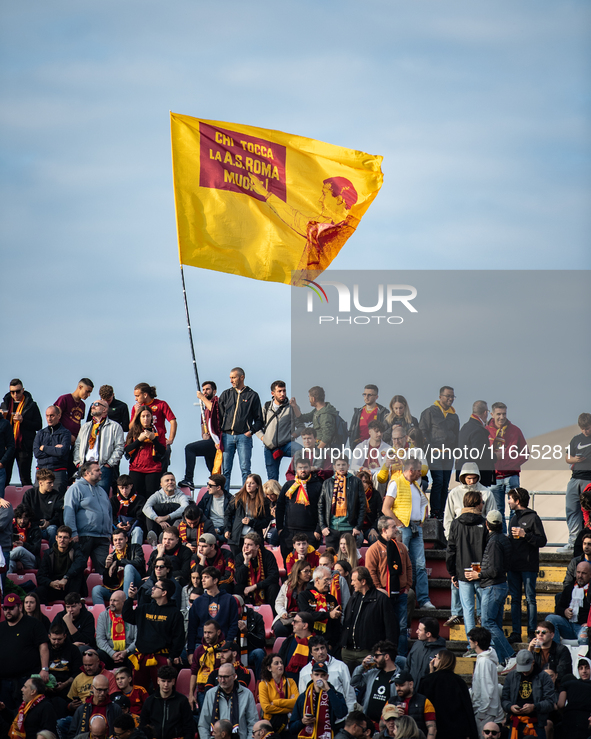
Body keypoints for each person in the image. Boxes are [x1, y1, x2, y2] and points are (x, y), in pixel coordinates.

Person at [442, 462, 495, 629]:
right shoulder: (454, 494)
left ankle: (479, 616)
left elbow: (492, 516)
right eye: (468, 478)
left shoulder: (487, 493)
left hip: (480, 542)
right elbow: (448, 518)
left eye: (474, 478)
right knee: (458, 579)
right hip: (460, 540)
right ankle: (456, 612)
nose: (471, 481)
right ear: (462, 477)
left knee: (477, 584)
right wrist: (451, 537)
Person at [382, 458, 435, 610]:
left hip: (415, 528)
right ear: (411, 470)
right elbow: (385, 508)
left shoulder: (416, 485)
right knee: (403, 563)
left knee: (419, 565)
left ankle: (424, 600)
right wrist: (399, 525)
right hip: (404, 528)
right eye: (419, 470)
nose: (421, 473)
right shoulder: (395, 482)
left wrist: (421, 521)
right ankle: (403, 595)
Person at [466, 509, 516, 668]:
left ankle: (510, 656)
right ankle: (502, 661)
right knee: (496, 624)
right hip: (500, 586)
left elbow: (494, 570)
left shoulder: (494, 542)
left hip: (493, 587)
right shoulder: (503, 539)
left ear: (487, 524)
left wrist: (477, 575)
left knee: (488, 623)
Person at [445, 489, 487, 655]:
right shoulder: (484, 522)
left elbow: (451, 549)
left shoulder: (456, 523)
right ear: (476, 503)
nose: (483, 504)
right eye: (482, 502)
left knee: (468, 610)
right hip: (481, 572)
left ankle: (471, 646)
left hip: (462, 571)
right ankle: (485, 645)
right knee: (484, 611)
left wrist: (452, 572)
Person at [124, 578, 185, 690]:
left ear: (164, 592)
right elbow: (128, 616)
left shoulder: (175, 613)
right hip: (141, 658)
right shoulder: (145, 608)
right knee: (139, 692)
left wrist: (170, 658)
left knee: (163, 692)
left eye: (156, 587)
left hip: (161, 658)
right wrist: (130, 598)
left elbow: (179, 638)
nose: (152, 588)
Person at [365, 516, 412, 656]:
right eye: (393, 527)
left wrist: (408, 586)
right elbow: (370, 571)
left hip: (401, 593)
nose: (397, 529)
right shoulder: (373, 549)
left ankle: (401, 657)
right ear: (384, 530)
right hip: (383, 595)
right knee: (384, 627)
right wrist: (379, 588)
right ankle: (385, 655)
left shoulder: (401, 547)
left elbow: (409, 567)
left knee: (402, 628)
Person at [506, 487, 547, 643]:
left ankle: (531, 631)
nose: (508, 502)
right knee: (515, 599)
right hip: (513, 566)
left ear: (517, 501)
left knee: (530, 599)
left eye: (510, 499)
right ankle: (516, 632)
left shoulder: (533, 518)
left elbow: (542, 541)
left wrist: (525, 535)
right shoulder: (513, 517)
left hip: (529, 565)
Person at [341, 566, 398, 670]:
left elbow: (391, 628)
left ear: (363, 581)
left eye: (354, 580)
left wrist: (386, 651)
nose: (352, 583)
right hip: (347, 652)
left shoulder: (381, 599)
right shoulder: (353, 598)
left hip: (368, 653)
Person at [0, 593, 49, 711]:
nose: (8, 611)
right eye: (5, 608)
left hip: (26, 679)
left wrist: (44, 669)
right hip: (4, 680)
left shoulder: (34, 624)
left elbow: (43, 647)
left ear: (20, 607)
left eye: (11, 608)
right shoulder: (1, 627)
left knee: (25, 713)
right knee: (5, 713)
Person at [63, 460, 112, 575]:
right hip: (83, 537)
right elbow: (69, 512)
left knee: (104, 572)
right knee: (78, 569)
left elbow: (109, 512)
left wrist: (109, 533)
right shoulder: (75, 488)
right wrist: (73, 533)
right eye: (97, 470)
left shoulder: (102, 491)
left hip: (102, 538)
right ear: (86, 473)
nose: (101, 472)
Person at [486, 402, 529, 533]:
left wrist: (512, 463)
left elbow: (525, 452)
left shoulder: (515, 430)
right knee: (497, 510)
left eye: (504, 413)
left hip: (512, 476)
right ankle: (502, 537)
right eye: (498, 414)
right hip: (495, 477)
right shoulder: (486, 431)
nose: (501, 417)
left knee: (515, 509)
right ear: (492, 414)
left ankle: (513, 536)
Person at [418, 386, 460, 519]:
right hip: (434, 452)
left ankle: (443, 512)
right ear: (440, 396)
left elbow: (457, 436)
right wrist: (428, 447)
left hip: (449, 454)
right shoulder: (430, 412)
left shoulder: (454, 416)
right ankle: (435, 512)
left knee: (446, 483)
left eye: (452, 396)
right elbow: (422, 431)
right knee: (438, 481)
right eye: (448, 396)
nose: (451, 399)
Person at [418, 649, 478, 739]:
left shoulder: (427, 680)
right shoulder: (459, 681)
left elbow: (421, 702)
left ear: (441, 661)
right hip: (456, 730)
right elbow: (467, 708)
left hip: (434, 729)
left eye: (436, 657)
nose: (434, 659)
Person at [218, 367, 263, 486]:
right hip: (227, 436)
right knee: (225, 471)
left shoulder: (252, 395)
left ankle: (246, 498)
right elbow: (219, 416)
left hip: (244, 437)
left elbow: (260, 420)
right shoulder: (226, 394)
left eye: (233, 377)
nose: (231, 380)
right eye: (230, 378)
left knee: (245, 470)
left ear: (241, 377)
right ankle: (225, 499)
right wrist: (218, 434)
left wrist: (250, 432)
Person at [501, 649, 555, 739]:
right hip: (515, 723)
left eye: (526, 668)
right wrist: (510, 707)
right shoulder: (511, 676)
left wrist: (534, 706)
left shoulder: (544, 677)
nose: (524, 672)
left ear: (533, 662)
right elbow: (504, 699)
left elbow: (550, 702)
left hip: (537, 723)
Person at [74, 399, 124, 496]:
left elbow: (119, 447)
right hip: (84, 466)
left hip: (102, 467)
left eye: (96, 404)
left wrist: (109, 464)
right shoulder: (85, 427)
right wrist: (78, 463)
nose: (93, 406)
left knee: (101, 497)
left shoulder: (115, 426)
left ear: (105, 409)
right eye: (92, 404)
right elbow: (77, 445)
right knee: (82, 496)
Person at [277, 458, 324, 563]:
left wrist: (318, 529)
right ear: (296, 470)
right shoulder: (288, 485)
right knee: (288, 564)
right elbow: (279, 508)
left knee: (308, 566)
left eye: (305, 467)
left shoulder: (318, 486)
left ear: (310, 469)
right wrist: (280, 528)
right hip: (289, 533)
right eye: (300, 468)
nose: (303, 470)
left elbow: (322, 509)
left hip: (310, 532)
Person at [187, 565, 239, 655]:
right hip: (201, 645)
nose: (202, 580)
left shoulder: (229, 600)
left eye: (206, 577)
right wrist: (190, 651)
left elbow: (233, 625)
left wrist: (226, 644)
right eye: (202, 577)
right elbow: (192, 628)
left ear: (215, 580)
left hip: (223, 645)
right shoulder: (197, 602)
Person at [198, 662, 258, 739]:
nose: (222, 680)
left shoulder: (247, 694)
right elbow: (203, 724)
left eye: (226, 677)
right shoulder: (210, 694)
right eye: (220, 677)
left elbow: (253, 724)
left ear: (234, 676)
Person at [289, 661, 348, 739]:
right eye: (316, 675)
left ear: (327, 677)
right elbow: (292, 728)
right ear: (311, 676)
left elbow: (341, 713)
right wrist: (302, 722)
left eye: (323, 675)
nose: (320, 678)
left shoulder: (335, 695)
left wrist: (328, 690)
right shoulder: (303, 697)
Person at [180, 380, 222, 489]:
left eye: (207, 389)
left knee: (190, 448)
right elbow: (203, 424)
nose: (205, 392)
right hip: (209, 441)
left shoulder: (217, 402)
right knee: (212, 469)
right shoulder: (203, 408)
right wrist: (203, 434)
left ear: (214, 391)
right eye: (203, 390)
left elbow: (214, 409)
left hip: (217, 441)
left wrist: (202, 398)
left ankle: (189, 479)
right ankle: (216, 485)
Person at [319, 455, 366, 550]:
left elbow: (362, 505)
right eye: (338, 465)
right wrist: (323, 527)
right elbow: (321, 506)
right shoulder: (327, 483)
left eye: (343, 464)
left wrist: (358, 527)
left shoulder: (356, 481)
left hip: (349, 529)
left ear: (348, 466)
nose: (341, 467)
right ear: (334, 467)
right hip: (331, 530)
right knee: (331, 561)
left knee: (348, 561)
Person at [299, 635, 356, 712]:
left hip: (339, 716)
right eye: (316, 649)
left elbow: (350, 693)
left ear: (327, 649)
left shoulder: (341, 666)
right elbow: (303, 698)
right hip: (315, 717)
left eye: (322, 648)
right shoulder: (304, 671)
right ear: (311, 653)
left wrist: (349, 714)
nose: (320, 652)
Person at [2, 378, 42, 487]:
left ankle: (29, 503)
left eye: (18, 391)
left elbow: (39, 425)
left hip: (24, 446)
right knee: (4, 477)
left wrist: (23, 420)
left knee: (25, 477)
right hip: (7, 446)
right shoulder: (4, 405)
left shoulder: (31, 405)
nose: (15, 394)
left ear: (23, 390)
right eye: (12, 392)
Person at [130, 383, 177, 475]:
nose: (135, 399)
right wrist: (136, 414)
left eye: (137, 396)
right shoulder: (136, 408)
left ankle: (162, 479)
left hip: (158, 438)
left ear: (145, 395)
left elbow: (173, 421)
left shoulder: (161, 404)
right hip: (141, 440)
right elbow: (130, 428)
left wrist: (171, 438)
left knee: (166, 450)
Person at [466, 626, 504, 735]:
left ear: (476, 642)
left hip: (485, 712)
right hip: (485, 710)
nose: (469, 641)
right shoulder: (485, 659)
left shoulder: (484, 662)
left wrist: (482, 712)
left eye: (471, 639)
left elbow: (487, 689)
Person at [257, 380, 297, 481]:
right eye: (279, 391)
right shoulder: (266, 407)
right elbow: (258, 426)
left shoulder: (291, 407)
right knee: (272, 479)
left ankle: (297, 479)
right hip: (270, 448)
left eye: (284, 391)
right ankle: (275, 496)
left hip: (286, 444)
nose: (282, 394)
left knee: (303, 453)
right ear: (273, 393)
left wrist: (293, 436)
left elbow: (301, 426)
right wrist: (263, 438)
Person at [562, 413, 591, 552]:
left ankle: (588, 542)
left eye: (588, 427)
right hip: (574, 479)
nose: (586, 430)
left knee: (587, 511)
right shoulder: (576, 439)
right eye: (583, 428)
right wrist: (576, 460)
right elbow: (568, 458)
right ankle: (574, 542)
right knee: (572, 510)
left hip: (589, 479)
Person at [139, 664, 194, 739]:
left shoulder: (182, 700)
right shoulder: (150, 701)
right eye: (163, 681)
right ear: (158, 681)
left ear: (174, 681)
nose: (166, 685)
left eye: (169, 681)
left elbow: (189, 727)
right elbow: (143, 725)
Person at [92, 529, 145, 605]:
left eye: (120, 539)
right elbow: (107, 583)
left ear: (126, 539)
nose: (118, 542)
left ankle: (126, 604)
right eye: (115, 540)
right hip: (118, 590)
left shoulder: (135, 548)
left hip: (135, 586)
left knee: (129, 567)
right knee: (96, 590)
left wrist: (118, 562)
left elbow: (139, 563)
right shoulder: (112, 556)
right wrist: (107, 567)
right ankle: (103, 615)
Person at [351, 641, 401, 722]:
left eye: (377, 656)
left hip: (387, 724)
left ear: (387, 656)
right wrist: (362, 667)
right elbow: (354, 682)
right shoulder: (373, 673)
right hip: (368, 722)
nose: (374, 658)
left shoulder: (399, 676)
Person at [35, 525, 87, 603]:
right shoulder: (49, 554)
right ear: (56, 538)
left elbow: (82, 563)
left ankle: (76, 603)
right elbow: (40, 576)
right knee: (39, 592)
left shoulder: (76, 550)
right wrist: (51, 583)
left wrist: (66, 578)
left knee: (77, 575)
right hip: (55, 587)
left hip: (70, 587)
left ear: (70, 540)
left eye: (65, 537)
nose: (62, 540)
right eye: (60, 537)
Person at [124, 405, 167, 499]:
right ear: (139, 418)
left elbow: (163, 451)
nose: (146, 419)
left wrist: (154, 439)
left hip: (153, 469)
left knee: (151, 497)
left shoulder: (159, 431)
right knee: (135, 496)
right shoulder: (133, 430)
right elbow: (127, 450)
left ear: (152, 417)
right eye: (143, 416)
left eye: (148, 416)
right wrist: (139, 440)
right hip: (136, 468)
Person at [54, 379, 94, 477]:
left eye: (90, 392)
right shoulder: (64, 399)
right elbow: (56, 420)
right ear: (80, 387)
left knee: (72, 470)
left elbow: (78, 422)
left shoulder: (83, 405)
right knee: (61, 469)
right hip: (62, 441)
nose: (88, 395)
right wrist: (67, 436)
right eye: (87, 391)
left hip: (75, 443)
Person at [224, 474, 272, 555]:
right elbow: (227, 514)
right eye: (247, 483)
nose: (248, 485)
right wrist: (227, 529)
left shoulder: (264, 501)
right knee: (238, 564)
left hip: (254, 539)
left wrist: (251, 522)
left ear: (257, 486)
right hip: (237, 539)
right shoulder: (237, 498)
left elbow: (266, 521)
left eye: (252, 483)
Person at [298, 565, 342, 652]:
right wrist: (329, 615)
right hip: (308, 642)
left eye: (330, 579)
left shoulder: (332, 599)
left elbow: (336, 626)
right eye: (326, 580)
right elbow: (307, 616)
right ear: (317, 580)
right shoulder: (304, 596)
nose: (329, 583)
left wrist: (331, 645)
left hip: (328, 644)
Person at [546, 560, 590, 644]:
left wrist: (589, 622)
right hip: (568, 625)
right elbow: (558, 608)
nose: (580, 576)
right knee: (550, 619)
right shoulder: (569, 588)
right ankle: (556, 652)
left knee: (584, 637)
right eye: (578, 572)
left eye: (584, 573)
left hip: (584, 627)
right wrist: (564, 611)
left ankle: (582, 657)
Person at [234, 531, 280, 609]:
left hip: (264, 585)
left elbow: (274, 577)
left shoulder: (268, 555)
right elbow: (239, 579)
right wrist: (246, 562)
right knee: (238, 588)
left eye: (249, 544)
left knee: (273, 587)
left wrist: (255, 586)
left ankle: (272, 614)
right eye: (245, 544)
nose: (246, 547)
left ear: (257, 546)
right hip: (247, 586)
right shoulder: (240, 557)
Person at [69, 674, 122, 739]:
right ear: (92, 688)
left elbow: (121, 732)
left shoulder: (115, 709)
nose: (102, 693)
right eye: (99, 690)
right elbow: (72, 733)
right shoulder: (81, 709)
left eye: (105, 690)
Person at [455, 400, 495, 486]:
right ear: (485, 412)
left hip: (465, 473)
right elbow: (479, 454)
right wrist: (496, 456)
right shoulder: (478, 430)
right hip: (476, 476)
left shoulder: (465, 427)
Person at [32, 406, 71, 494]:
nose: (49, 418)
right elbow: (37, 453)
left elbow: (62, 452)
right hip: (41, 471)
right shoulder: (41, 433)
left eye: (52, 416)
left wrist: (45, 448)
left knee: (58, 501)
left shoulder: (66, 433)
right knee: (38, 500)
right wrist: (54, 450)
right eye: (47, 415)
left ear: (59, 416)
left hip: (58, 472)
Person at [23, 469, 64, 549]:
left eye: (53, 482)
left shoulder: (57, 496)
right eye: (49, 483)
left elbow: (58, 515)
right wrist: (36, 524)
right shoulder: (29, 494)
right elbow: (24, 512)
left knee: (52, 530)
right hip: (33, 526)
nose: (52, 485)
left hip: (50, 526)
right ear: (40, 483)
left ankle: (53, 555)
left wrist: (49, 522)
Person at [46, 620, 83, 709]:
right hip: (47, 686)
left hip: (68, 686)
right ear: (49, 636)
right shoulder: (45, 649)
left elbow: (77, 672)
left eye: (59, 639)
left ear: (65, 636)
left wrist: (65, 684)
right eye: (54, 639)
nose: (56, 642)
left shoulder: (73, 650)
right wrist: (48, 687)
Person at [95, 590, 137, 669]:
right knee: (99, 654)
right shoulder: (103, 616)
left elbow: (137, 639)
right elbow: (100, 639)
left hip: (128, 652)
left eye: (115, 601)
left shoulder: (133, 615)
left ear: (124, 602)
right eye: (111, 600)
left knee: (136, 655)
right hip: (109, 652)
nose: (111, 603)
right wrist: (112, 653)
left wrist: (126, 651)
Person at [291, 386, 340, 453]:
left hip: (324, 451)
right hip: (318, 448)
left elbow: (327, 436)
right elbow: (303, 418)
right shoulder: (317, 411)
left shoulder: (325, 415)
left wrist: (316, 452)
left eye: (309, 397)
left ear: (313, 399)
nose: (309, 400)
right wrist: (294, 407)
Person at [258, 653, 299, 733]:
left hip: (289, 724)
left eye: (281, 663)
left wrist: (276, 702)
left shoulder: (291, 682)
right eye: (276, 663)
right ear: (269, 668)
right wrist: (288, 709)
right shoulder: (263, 684)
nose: (280, 665)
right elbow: (266, 708)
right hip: (271, 725)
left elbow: (296, 703)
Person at [188, 618, 225, 708]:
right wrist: (191, 694)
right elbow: (194, 672)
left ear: (218, 632)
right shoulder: (199, 650)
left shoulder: (226, 649)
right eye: (205, 632)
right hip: (202, 691)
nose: (206, 636)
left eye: (210, 632)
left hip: (222, 691)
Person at [526, 620, 572, 689]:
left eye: (544, 632)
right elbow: (526, 671)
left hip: (556, 687)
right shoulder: (534, 650)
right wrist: (529, 649)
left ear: (552, 635)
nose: (540, 634)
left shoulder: (562, 650)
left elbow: (562, 672)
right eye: (537, 632)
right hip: (537, 687)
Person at [391, 670, 436, 739]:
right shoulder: (391, 701)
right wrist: (393, 715)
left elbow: (432, 729)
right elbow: (382, 725)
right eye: (396, 685)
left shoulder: (424, 701)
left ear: (411, 684)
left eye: (401, 685)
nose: (398, 688)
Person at [272, 560, 313, 636]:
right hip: (288, 617)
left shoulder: (310, 587)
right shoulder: (287, 585)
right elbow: (278, 603)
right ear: (298, 573)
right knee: (279, 628)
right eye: (306, 571)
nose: (309, 574)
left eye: (310, 571)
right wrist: (283, 613)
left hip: (303, 618)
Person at [556, 657, 591, 739]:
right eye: (581, 668)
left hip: (569, 720)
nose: (584, 671)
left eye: (587, 668)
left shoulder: (567, 684)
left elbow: (560, 705)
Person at [406, 618, 446, 688]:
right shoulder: (416, 645)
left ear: (428, 634)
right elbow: (407, 666)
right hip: (411, 693)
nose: (416, 631)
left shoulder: (443, 653)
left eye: (420, 630)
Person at [233, 594, 266, 678]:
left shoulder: (256, 617)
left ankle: (260, 682)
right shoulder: (225, 617)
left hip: (249, 652)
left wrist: (247, 633)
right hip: (231, 652)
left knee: (259, 653)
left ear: (243, 606)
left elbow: (262, 642)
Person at [278, 612, 316, 681]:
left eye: (295, 621)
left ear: (305, 626)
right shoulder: (288, 641)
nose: (292, 623)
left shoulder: (317, 643)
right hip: (288, 686)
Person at [110, 475, 145, 546]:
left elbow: (140, 517)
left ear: (131, 486)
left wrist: (130, 525)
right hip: (117, 527)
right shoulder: (113, 500)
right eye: (122, 488)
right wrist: (117, 524)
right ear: (118, 487)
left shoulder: (140, 499)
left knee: (138, 530)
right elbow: (111, 515)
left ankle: (135, 552)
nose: (124, 491)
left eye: (127, 488)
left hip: (133, 526)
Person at [197, 473, 232, 544]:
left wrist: (219, 530)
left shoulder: (230, 500)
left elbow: (232, 520)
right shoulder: (207, 496)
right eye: (207, 484)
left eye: (210, 485)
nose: (207, 487)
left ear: (218, 487)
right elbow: (198, 510)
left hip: (224, 529)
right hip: (208, 527)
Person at [9, 503, 42, 572]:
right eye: (20, 518)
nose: (22, 521)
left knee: (20, 549)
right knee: (9, 564)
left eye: (25, 518)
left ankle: (3, 558)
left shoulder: (35, 529)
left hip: (30, 560)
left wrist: (24, 545)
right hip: (14, 559)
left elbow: (36, 549)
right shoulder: (11, 528)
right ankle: (8, 582)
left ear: (29, 518)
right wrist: (17, 560)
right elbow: (8, 546)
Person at [356, 470, 381, 545]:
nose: (362, 484)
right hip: (357, 526)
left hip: (371, 527)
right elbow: (351, 514)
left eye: (364, 482)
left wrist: (374, 528)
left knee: (374, 538)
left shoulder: (375, 494)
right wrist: (357, 527)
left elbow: (380, 514)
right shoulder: (353, 494)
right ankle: (356, 556)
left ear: (369, 483)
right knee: (357, 538)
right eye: (360, 481)